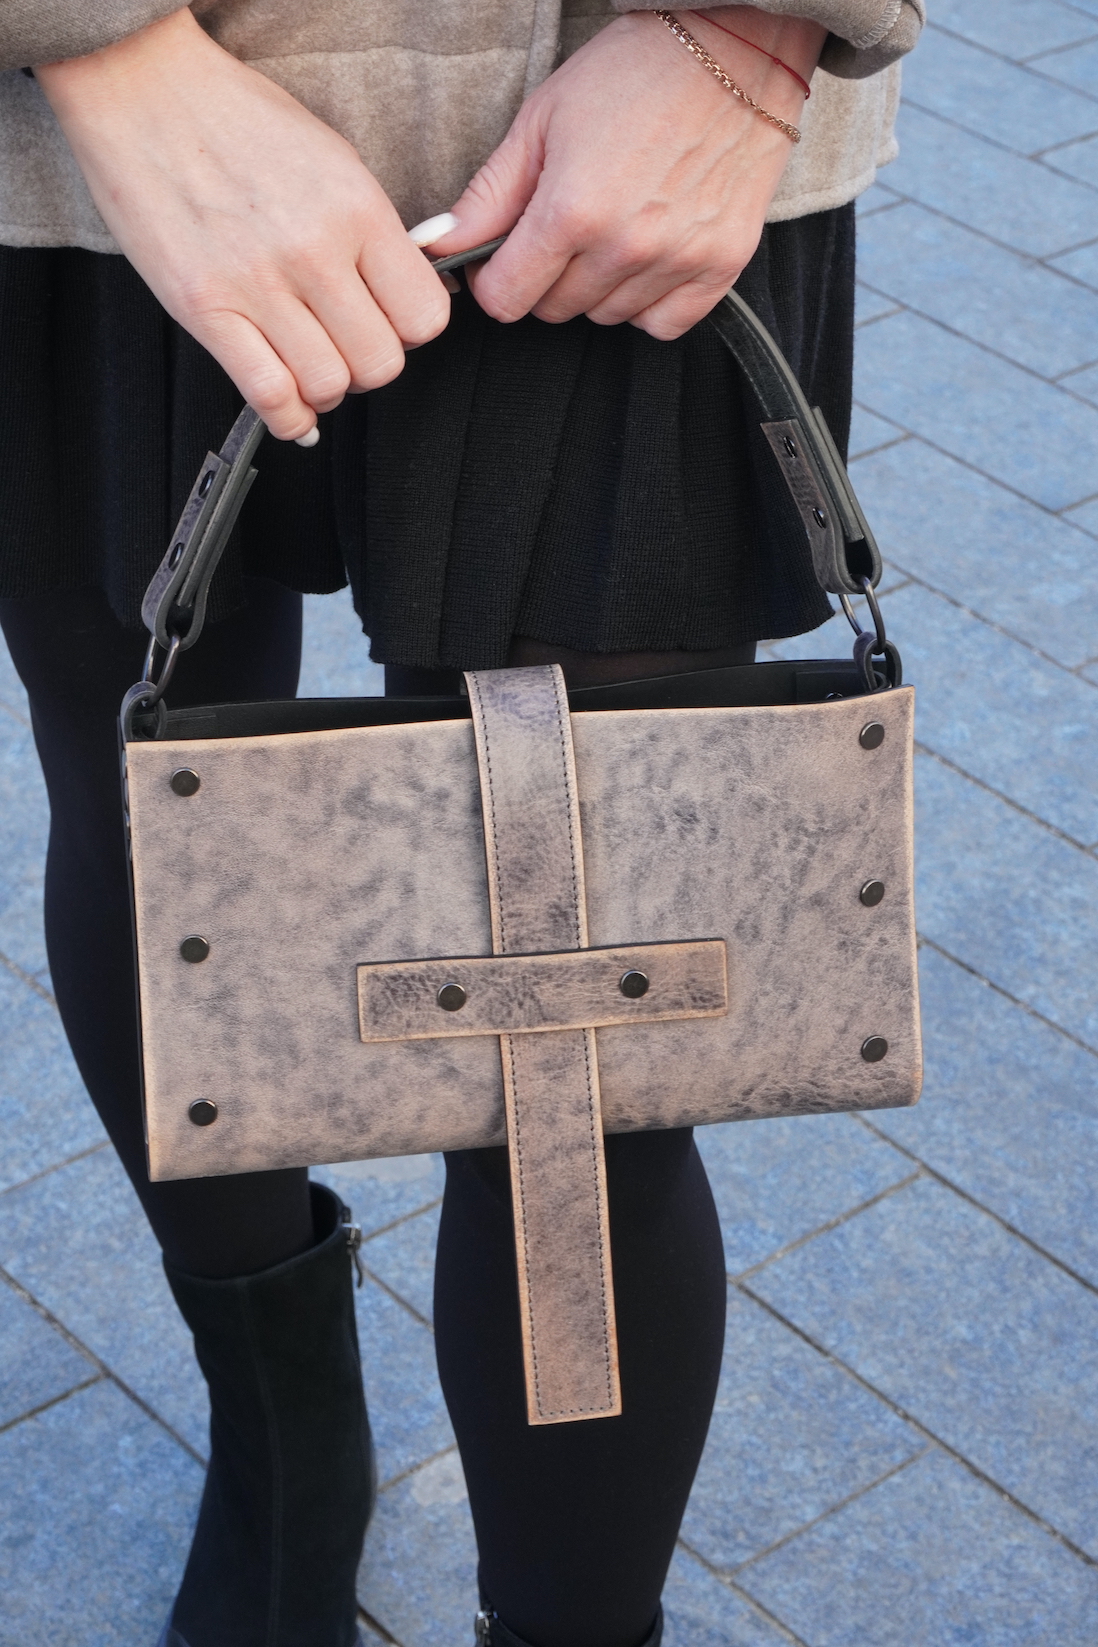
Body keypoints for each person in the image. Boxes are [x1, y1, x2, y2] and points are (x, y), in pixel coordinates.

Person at [0, 2, 923, 1643]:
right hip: (94, 151)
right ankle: (284, 1436)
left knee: (588, 1014)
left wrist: (750, 30)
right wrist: (98, 49)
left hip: (622, 123)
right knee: (154, 825)